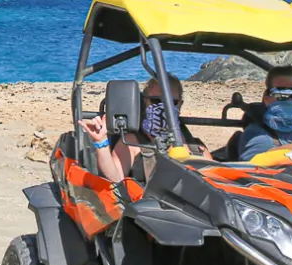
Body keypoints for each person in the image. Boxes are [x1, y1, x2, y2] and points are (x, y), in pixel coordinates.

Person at [78, 73, 208, 183]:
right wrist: (101, 141)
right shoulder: (132, 142)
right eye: (156, 101)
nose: (164, 106)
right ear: (145, 102)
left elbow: (217, 182)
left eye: (171, 102)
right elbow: (115, 177)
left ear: (180, 104)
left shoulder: (195, 147)